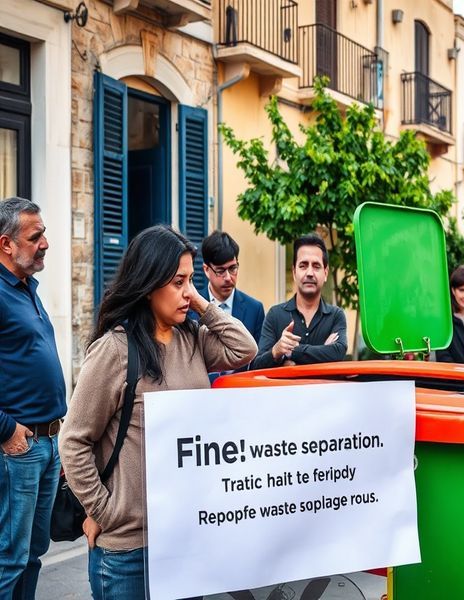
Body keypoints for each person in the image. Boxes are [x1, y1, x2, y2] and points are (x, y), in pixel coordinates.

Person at [58, 225, 257, 598]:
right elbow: (73, 441)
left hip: (186, 538)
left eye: (191, 280)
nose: (188, 292)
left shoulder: (192, 339)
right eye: (178, 282)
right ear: (149, 284)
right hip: (130, 552)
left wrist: (201, 304)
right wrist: (106, 512)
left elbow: (244, 348)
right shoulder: (114, 350)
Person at [0, 197, 67, 598]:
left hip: (47, 443)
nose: (45, 243)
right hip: (18, 448)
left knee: (33, 554)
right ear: (6, 244)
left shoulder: (27, 289)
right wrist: (6, 429)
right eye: (35, 236)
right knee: (10, 557)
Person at [252, 234, 347, 368]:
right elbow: (256, 365)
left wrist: (292, 351)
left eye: (316, 266)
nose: (310, 273)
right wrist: (276, 351)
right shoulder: (275, 315)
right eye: (303, 265)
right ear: (294, 272)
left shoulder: (336, 316)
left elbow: (338, 352)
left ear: (325, 273)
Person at [197, 231, 265, 377]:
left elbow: (257, 363)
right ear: (206, 270)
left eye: (233, 268)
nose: (228, 277)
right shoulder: (190, 306)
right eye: (220, 271)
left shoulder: (255, 309)